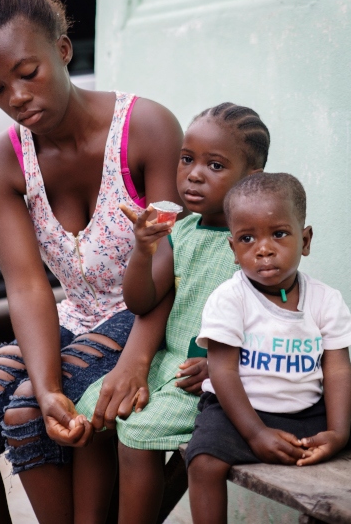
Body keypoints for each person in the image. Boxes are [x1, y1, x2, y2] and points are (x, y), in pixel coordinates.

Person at [0, 0, 186, 524]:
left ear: (62, 50)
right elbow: (28, 286)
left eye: (27, 73)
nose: (17, 97)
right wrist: (49, 379)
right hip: (75, 319)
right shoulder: (2, 165)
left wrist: (135, 359)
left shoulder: (145, 128)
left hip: (150, 311)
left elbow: (173, 265)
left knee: (27, 413)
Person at [76, 102, 271, 524]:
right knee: (92, 412)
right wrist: (144, 251)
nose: (194, 174)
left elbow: (272, 317)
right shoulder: (180, 230)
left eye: (215, 165)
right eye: (187, 159)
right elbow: (141, 301)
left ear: (250, 179)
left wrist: (225, 366)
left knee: (139, 435)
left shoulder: (255, 245)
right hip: (165, 366)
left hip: (207, 378)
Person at [185, 172, 351, 524]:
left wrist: (337, 432)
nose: (264, 248)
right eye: (247, 238)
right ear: (234, 250)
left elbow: (336, 369)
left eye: (279, 234)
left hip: (310, 406)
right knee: (203, 461)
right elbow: (222, 371)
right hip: (243, 409)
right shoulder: (230, 298)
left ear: (305, 240)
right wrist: (255, 433)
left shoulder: (325, 299)